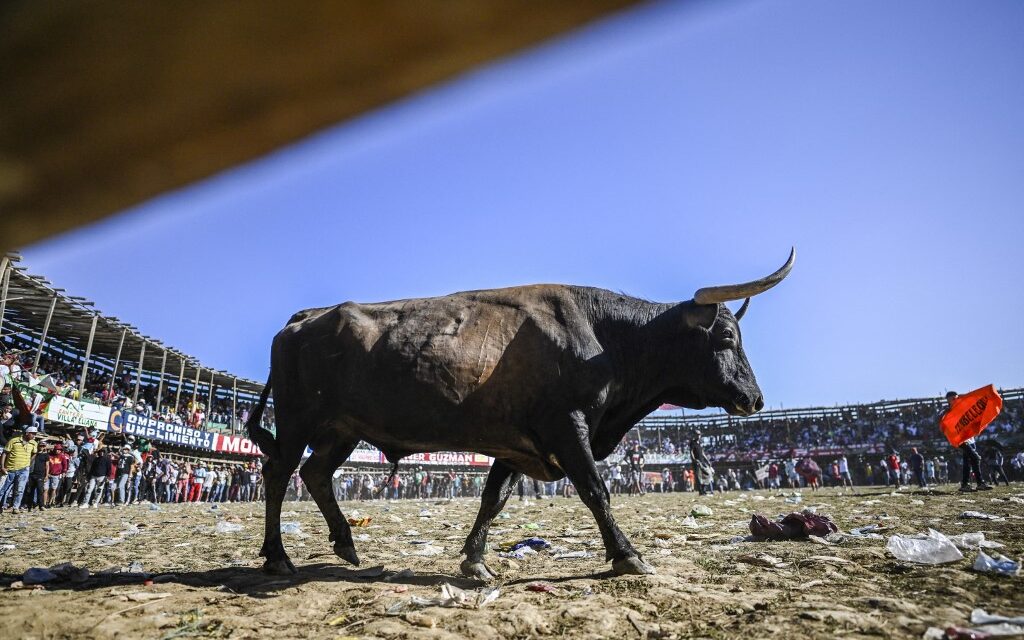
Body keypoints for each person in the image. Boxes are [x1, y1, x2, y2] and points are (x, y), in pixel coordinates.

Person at [943, 391, 993, 492]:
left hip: (970, 439)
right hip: (961, 440)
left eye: (956, 398)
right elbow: (944, 424)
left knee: (968, 463)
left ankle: (966, 485)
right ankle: (979, 483)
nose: (955, 400)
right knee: (975, 458)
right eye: (953, 399)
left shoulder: (962, 408)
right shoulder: (948, 412)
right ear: (948, 400)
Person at [0, 425, 39, 513]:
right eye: (33, 434)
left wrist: (28, 462)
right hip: (10, 469)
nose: (34, 436)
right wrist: (2, 466)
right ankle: (1, 506)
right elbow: (5, 453)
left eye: (35, 434)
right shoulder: (14, 441)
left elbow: (34, 453)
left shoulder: (34, 443)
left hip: (24, 470)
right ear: (27, 433)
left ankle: (15, 507)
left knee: (20, 489)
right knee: (3, 489)